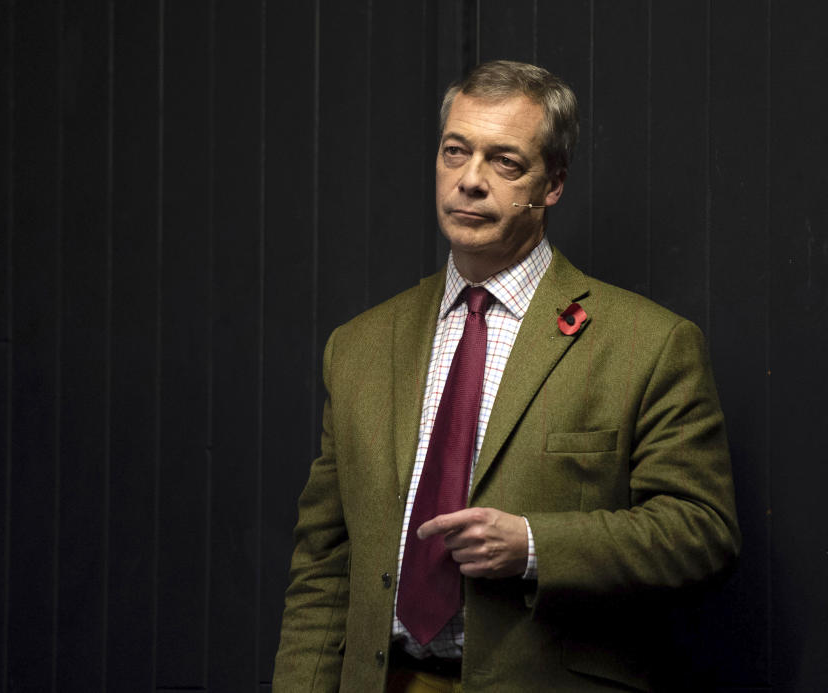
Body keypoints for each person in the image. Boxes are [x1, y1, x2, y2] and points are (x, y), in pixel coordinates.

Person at [273, 60, 740, 692]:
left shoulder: (650, 345)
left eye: (505, 162)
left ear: (553, 184)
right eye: (455, 151)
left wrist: (533, 544)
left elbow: (702, 533)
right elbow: (324, 567)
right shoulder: (359, 346)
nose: (469, 181)